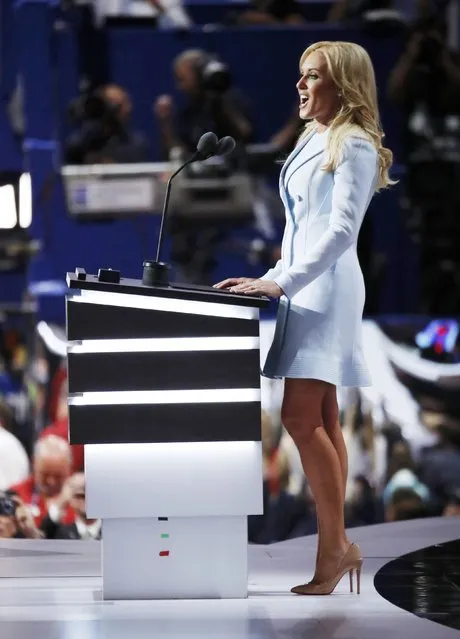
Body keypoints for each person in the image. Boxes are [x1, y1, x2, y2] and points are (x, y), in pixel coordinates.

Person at [215, 40, 394, 595]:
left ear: (342, 84)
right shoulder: (314, 138)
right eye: (301, 75)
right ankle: (336, 547)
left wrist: (282, 281)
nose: (300, 86)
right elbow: (301, 231)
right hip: (303, 287)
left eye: (312, 77)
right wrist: (269, 275)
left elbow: (340, 232)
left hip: (328, 290)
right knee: (325, 419)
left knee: (299, 418)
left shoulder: (356, 144)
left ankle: (335, 546)